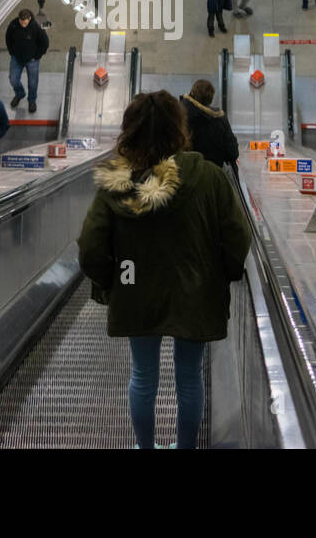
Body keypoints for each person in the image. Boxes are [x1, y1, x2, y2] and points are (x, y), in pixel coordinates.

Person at [77, 91, 251, 450]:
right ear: (179, 128)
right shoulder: (207, 175)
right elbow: (238, 235)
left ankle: (145, 447)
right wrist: (226, 273)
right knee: (189, 378)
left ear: (130, 130)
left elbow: (91, 245)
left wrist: (109, 282)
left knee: (142, 375)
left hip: (136, 289)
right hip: (197, 290)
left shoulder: (117, 181)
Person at [179, 79, 239, 167]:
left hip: (187, 174)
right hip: (214, 175)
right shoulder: (219, 119)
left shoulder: (180, 116)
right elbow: (232, 153)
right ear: (211, 99)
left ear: (191, 93)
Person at [5, 9, 49, 113]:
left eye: (25, 23)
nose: (23, 25)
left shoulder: (36, 27)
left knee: (33, 83)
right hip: (17, 58)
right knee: (13, 79)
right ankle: (20, 94)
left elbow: (45, 42)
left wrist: (37, 56)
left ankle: (32, 100)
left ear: (29, 19)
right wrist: (12, 52)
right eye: (21, 22)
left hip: (32, 60)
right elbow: (8, 38)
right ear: (19, 19)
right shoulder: (13, 25)